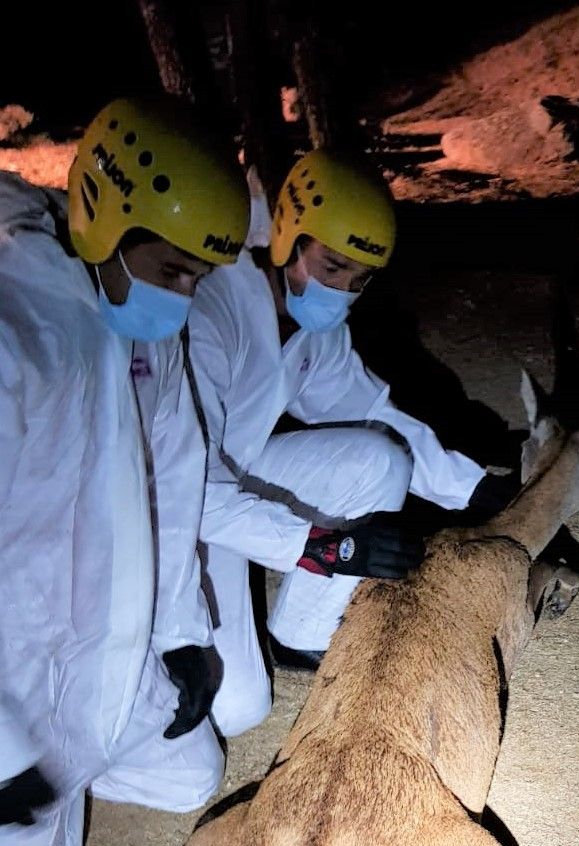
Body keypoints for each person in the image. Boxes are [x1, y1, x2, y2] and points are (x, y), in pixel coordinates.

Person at [0, 97, 250, 846]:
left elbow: (175, 472)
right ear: (106, 218)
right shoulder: (16, 337)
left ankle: (67, 774)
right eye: (173, 268)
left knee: (194, 776)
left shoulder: (132, 313)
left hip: (108, 641)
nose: (182, 296)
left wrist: (181, 629)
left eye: (197, 278)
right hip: (16, 663)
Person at [188, 150, 512, 738]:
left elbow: (367, 409)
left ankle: (303, 636)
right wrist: (326, 549)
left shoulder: (314, 323)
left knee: (380, 455)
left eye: (359, 279)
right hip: (173, 508)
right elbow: (193, 495)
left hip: (230, 477)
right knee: (235, 712)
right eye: (332, 266)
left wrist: (472, 488)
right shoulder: (213, 310)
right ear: (288, 237)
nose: (342, 291)